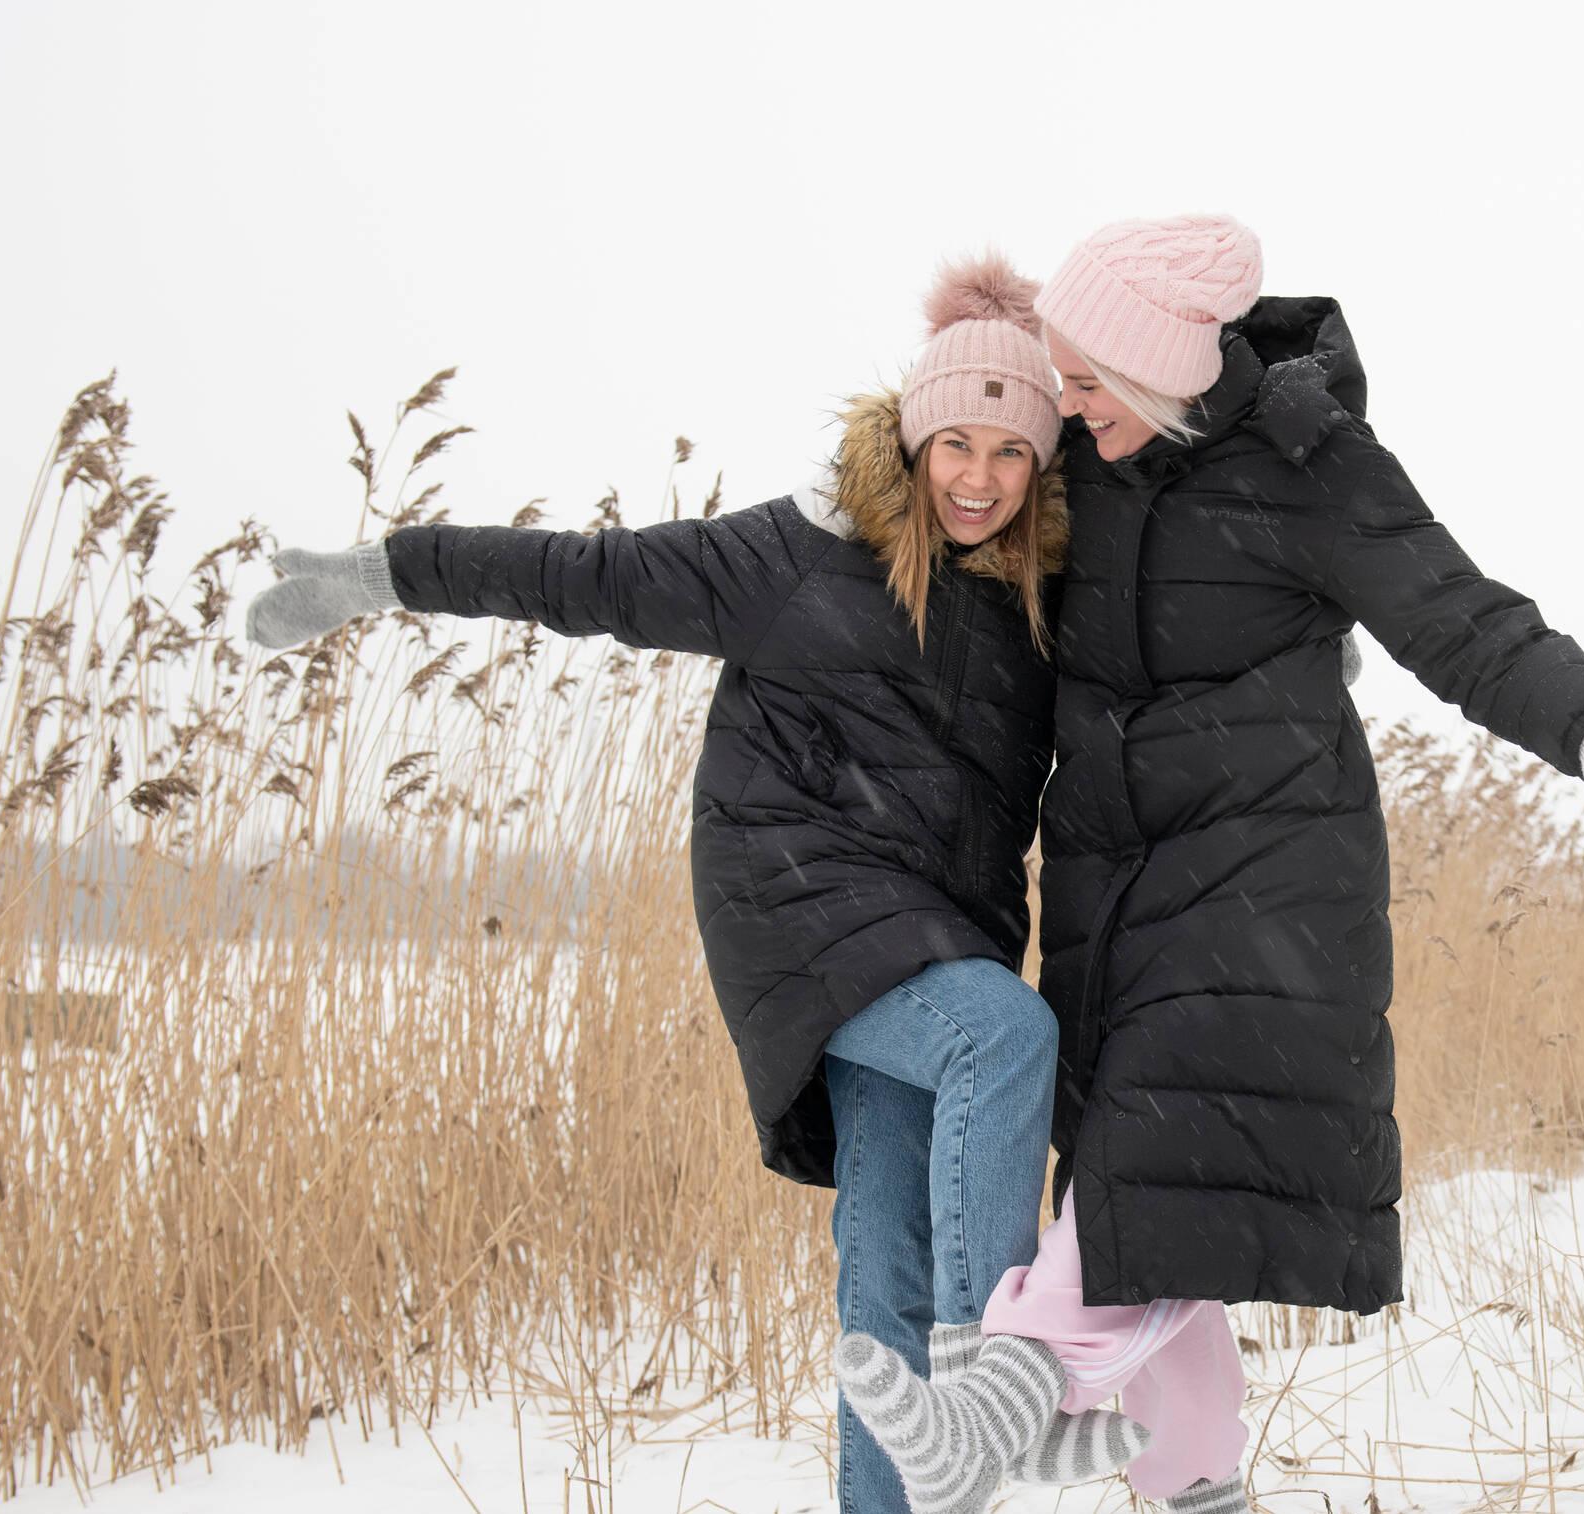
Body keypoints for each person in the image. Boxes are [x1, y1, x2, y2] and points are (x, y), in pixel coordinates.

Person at [243, 256, 1142, 1514]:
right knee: (1007, 1035)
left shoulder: (1053, 602)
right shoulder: (798, 551)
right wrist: (387, 572)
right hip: (799, 892)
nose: (978, 477)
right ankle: (996, 1386)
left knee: (887, 1250)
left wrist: (1277, 664)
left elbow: (1172, 666)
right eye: (954, 444)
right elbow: (586, 576)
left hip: (945, 931)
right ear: (910, 439)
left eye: (1009, 451)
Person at [836, 216, 1584, 1514]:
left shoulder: (1312, 466)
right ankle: (1200, 1492)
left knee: (1138, 1178)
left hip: (1264, 893)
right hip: (1109, 907)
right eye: (1057, 381)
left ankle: (994, 1408)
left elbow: (1455, 613)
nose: (1064, 406)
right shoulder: (1088, 465)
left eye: (1084, 381)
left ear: (1161, 365)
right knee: (1147, 1222)